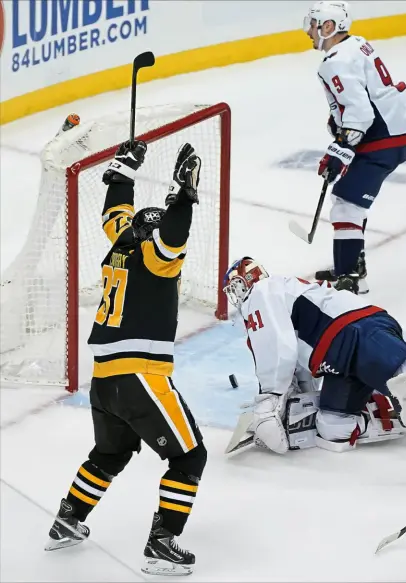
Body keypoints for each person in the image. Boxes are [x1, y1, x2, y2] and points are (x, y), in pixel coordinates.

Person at [45, 140, 206, 577]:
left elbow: (115, 212)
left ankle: (67, 519)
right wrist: (185, 197)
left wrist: (122, 173)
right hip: (140, 375)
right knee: (190, 457)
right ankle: (162, 543)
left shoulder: (122, 242)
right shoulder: (157, 257)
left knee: (109, 453)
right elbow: (173, 236)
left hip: (104, 380)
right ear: (149, 237)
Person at [223, 257, 406, 454]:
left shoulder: (262, 291)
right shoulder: (281, 300)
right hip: (340, 361)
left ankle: (403, 397)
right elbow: (295, 361)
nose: (234, 297)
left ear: (244, 283)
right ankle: (387, 411)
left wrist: (269, 402)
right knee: (333, 428)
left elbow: (275, 347)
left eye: (234, 288)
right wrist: (291, 408)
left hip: (357, 331)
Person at [303, 1, 406, 294]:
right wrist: (340, 136)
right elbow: (360, 101)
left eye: (313, 24)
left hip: (385, 137)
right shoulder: (356, 45)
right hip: (396, 129)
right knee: (350, 200)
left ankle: (351, 278)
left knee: (347, 203)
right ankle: (350, 265)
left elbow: (361, 114)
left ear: (328, 26)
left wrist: (341, 149)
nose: (308, 31)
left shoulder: (335, 60)